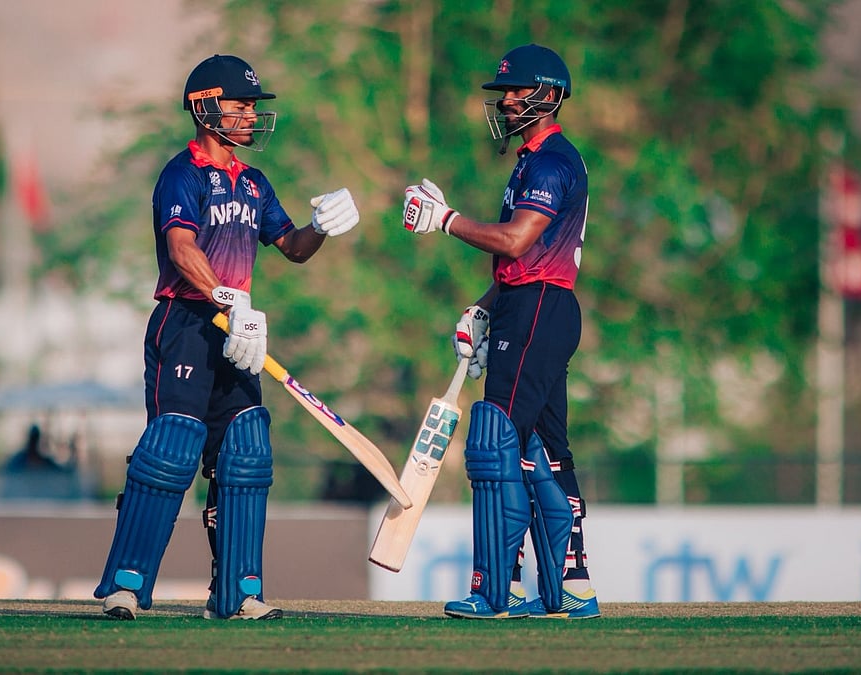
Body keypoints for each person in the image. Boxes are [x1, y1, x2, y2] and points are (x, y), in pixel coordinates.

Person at [93, 54, 360, 621]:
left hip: (239, 334)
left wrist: (323, 229)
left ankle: (239, 591)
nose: (249, 116)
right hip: (187, 324)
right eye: (240, 106)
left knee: (244, 455)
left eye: (252, 107)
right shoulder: (181, 175)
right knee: (172, 450)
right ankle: (126, 584)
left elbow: (291, 247)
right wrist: (228, 300)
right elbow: (182, 249)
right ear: (205, 106)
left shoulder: (255, 182)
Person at [401, 43, 600, 619]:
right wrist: (485, 306)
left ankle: (497, 590)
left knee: (495, 444)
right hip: (531, 305)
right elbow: (518, 259)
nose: (508, 101)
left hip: (539, 307)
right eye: (505, 92)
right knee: (544, 453)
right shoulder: (529, 160)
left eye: (518, 91)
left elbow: (516, 241)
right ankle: (573, 587)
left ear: (551, 96)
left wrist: (445, 219)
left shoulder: (551, 161)